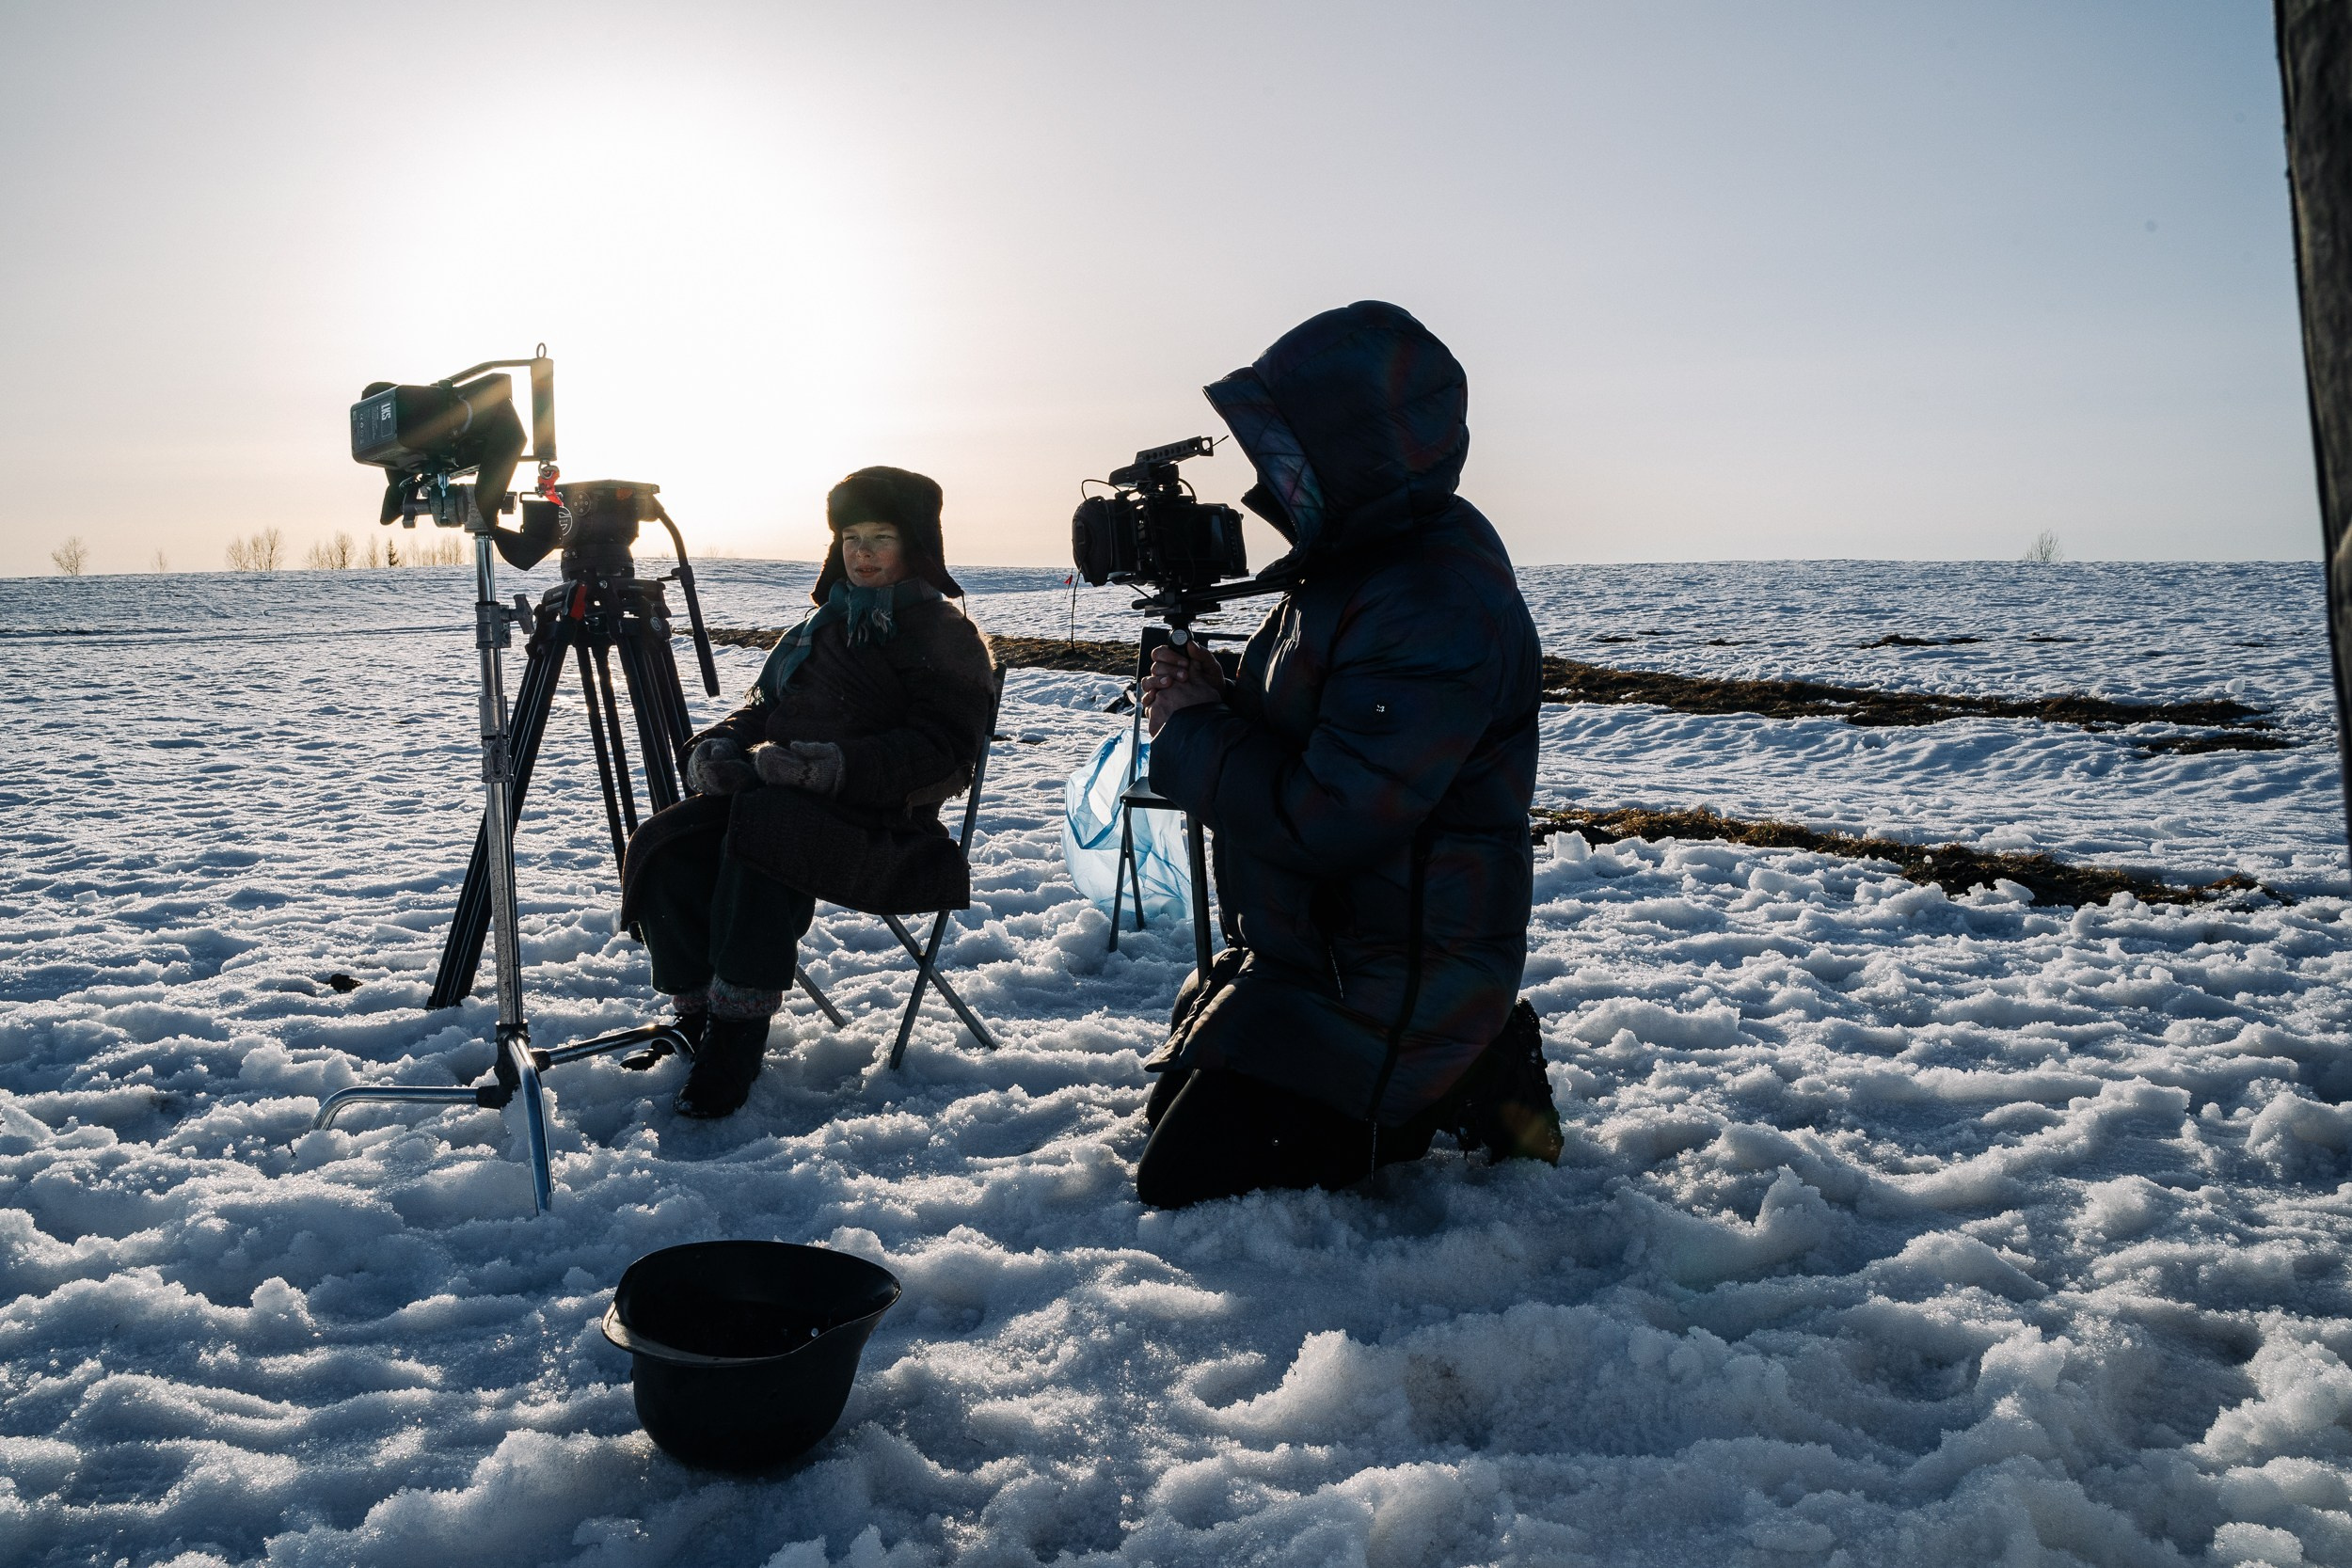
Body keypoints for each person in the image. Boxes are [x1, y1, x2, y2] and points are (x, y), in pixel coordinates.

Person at [1135, 300, 1552, 1207]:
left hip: (1404, 976)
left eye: (1282, 452)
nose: (1264, 478)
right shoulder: (1359, 564)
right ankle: (1446, 1053)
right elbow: (1322, 727)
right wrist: (1221, 695)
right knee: (1177, 1096)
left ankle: (1475, 1057)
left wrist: (1190, 730)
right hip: (1335, 949)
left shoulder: (1430, 601)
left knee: (1184, 1179)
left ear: (1355, 454)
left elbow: (1329, 815)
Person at [618, 467, 996, 1117]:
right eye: (852, 536)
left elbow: (943, 754)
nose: (864, 553)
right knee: (668, 839)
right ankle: (700, 1013)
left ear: (917, 545)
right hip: (785, 802)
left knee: (768, 827)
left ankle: (737, 1042)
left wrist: (832, 768)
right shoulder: (821, 627)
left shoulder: (944, 635)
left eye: (882, 536)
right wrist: (721, 748)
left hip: (887, 828)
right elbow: (766, 711)